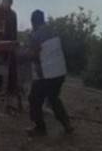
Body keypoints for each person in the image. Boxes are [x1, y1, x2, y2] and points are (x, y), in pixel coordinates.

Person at [23, 9, 73, 137]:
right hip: (60, 73)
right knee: (53, 98)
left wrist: (21, 53)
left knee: (34, 99)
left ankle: (40, 128)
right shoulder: (54, 32)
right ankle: (67, 124)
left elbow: (33, 55)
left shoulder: (35, 36)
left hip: (45, 76)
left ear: (33, 22)